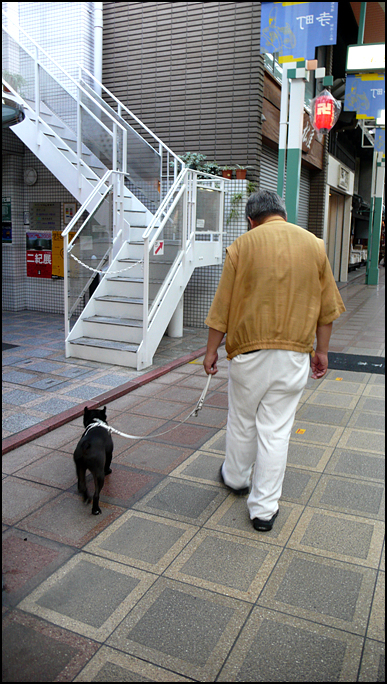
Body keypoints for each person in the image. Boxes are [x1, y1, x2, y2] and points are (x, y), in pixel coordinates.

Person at [203, 190, 345, 532]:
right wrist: (321, 352)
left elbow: (222, 308)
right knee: (276, 432)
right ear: (283, 213)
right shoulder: (315, 245)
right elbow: (327, 311)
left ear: (252, 220)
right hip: (294, 354)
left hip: (248, 354)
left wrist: (210, 352)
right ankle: (263, 511)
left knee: (241, 419)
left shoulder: (241, 246)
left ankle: (236, 478)